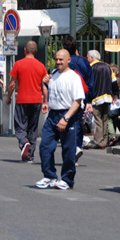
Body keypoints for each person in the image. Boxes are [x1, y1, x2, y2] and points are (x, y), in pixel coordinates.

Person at [36, 49, 84, 190]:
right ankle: (49, 176)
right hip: (52, 115)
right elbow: (52, 92)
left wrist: (66, 118)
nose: (58, 62)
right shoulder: (54, 74)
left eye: (61, 60)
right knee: (45, 146)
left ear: (68, 60)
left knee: (68, 150)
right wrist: (45, 86)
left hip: (67, 114)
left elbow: (77, 101)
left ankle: (67, 180)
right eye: (56, 59)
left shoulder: (74, 77)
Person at [6, 41, 48, 163]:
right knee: (32, 128)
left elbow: (12, 84)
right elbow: (44, 86)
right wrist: (45, 101)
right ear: (36, 51)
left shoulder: (18, 64)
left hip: (22, 100)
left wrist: (9, 97)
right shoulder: (41, 66)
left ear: (24, 50)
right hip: (36, 100)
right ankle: (30, 155)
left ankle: (24, 142)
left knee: (20, 125)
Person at [62, 35, 94, 164]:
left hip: (66, 98)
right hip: (81, 98)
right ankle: (76, 147)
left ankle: (71, 150)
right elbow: (90, 83)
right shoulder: (84, 62)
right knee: (78, 124)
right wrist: (89, 101)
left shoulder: (65, 61)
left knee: (65, 123)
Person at [87, 50, 119, 149]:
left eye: (88, 57)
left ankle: (98, 141)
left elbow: (88, 84)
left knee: (98, 120)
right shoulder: (107, 67)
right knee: (105, 119)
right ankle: (104, 140)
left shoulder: (91, 68)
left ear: (92, 58)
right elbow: (114, 82)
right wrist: (115, 95)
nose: (87, 59)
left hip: (96, 98)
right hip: (108, 97)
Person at [108, 63, 120, 146]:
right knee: (115, 118)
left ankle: (112, 137)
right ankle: (114, 135)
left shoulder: (109, 79)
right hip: (118, 101)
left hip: (110, 100)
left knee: (109, 119)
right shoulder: (119, 80)